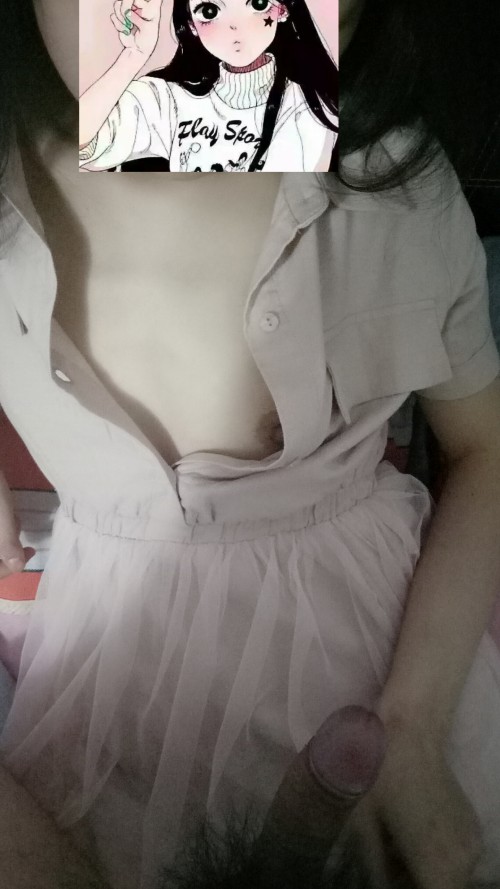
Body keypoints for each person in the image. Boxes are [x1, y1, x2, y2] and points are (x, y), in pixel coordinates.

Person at [1, 2, 500, 889]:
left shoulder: (393, 189)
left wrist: (414, 726)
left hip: (379, 671)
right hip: (100, 689)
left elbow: (484, 447)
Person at [77, 0, 338, 173]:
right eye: (209, 11)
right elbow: (79, 146)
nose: (235, 27)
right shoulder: (169, 99)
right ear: (191, 24)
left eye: (257, 3)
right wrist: (133, 55)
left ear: (282, 9)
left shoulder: (307, 106)